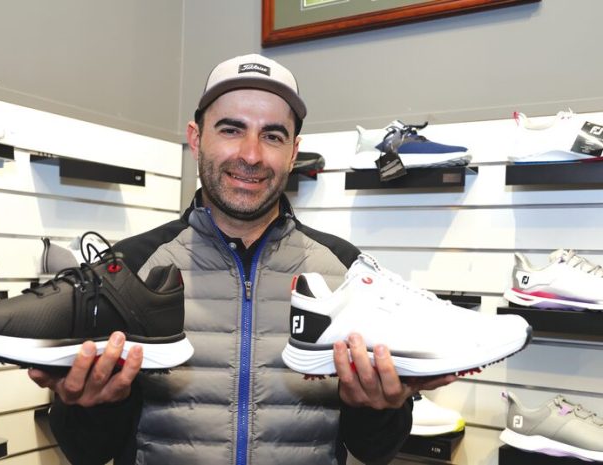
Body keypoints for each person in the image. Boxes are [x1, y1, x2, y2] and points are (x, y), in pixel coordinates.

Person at [29, 53, 455, 465]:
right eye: (231, 130)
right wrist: (89, 405)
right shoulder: (129, 268)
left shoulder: (346, 272)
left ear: (293, 151)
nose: (251, 155)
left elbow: (375, 451)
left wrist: (379, 409)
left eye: (272, 136)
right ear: (196, 139)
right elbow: (86, 452)